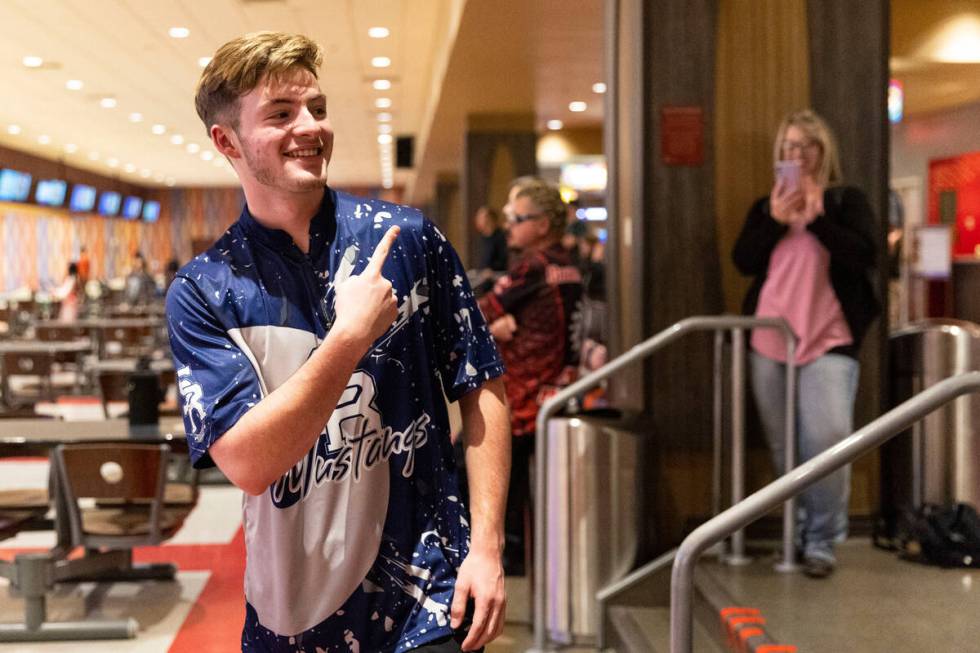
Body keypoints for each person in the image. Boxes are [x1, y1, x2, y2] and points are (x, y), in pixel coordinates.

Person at [166, 32, 509, 652]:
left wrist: (486, 547)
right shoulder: (204, 290)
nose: (311, 127)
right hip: (292, 615)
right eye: (281, 114)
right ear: (227, 142)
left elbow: (481, 384)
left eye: (317, 109)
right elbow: (248, 463)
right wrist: (349, 338)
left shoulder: (406, 240)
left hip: (430, 597)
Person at [732, 109, 880, 579]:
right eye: (789, 148)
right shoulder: (765, 207)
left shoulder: (844, 201)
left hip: (828, 338)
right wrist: (777, 220)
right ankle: (795, 534)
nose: (796, 155)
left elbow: (867, 257)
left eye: (805, 147)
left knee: (828, 440)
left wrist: (816, 221)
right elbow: (743, 260)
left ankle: (822, 539)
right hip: (769, 339)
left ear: (822, 152)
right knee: (783, 446)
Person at [477, 178, 583, 575]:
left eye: (517, 218)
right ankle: (518, 556)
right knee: (525, 486)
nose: (510, 226)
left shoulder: (534, 266)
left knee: (497, 479)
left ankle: (508, 558)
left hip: (524, 395)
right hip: (555, 388)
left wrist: (495, 324)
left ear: (541, 225)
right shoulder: (568, 265)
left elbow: (481, 309)